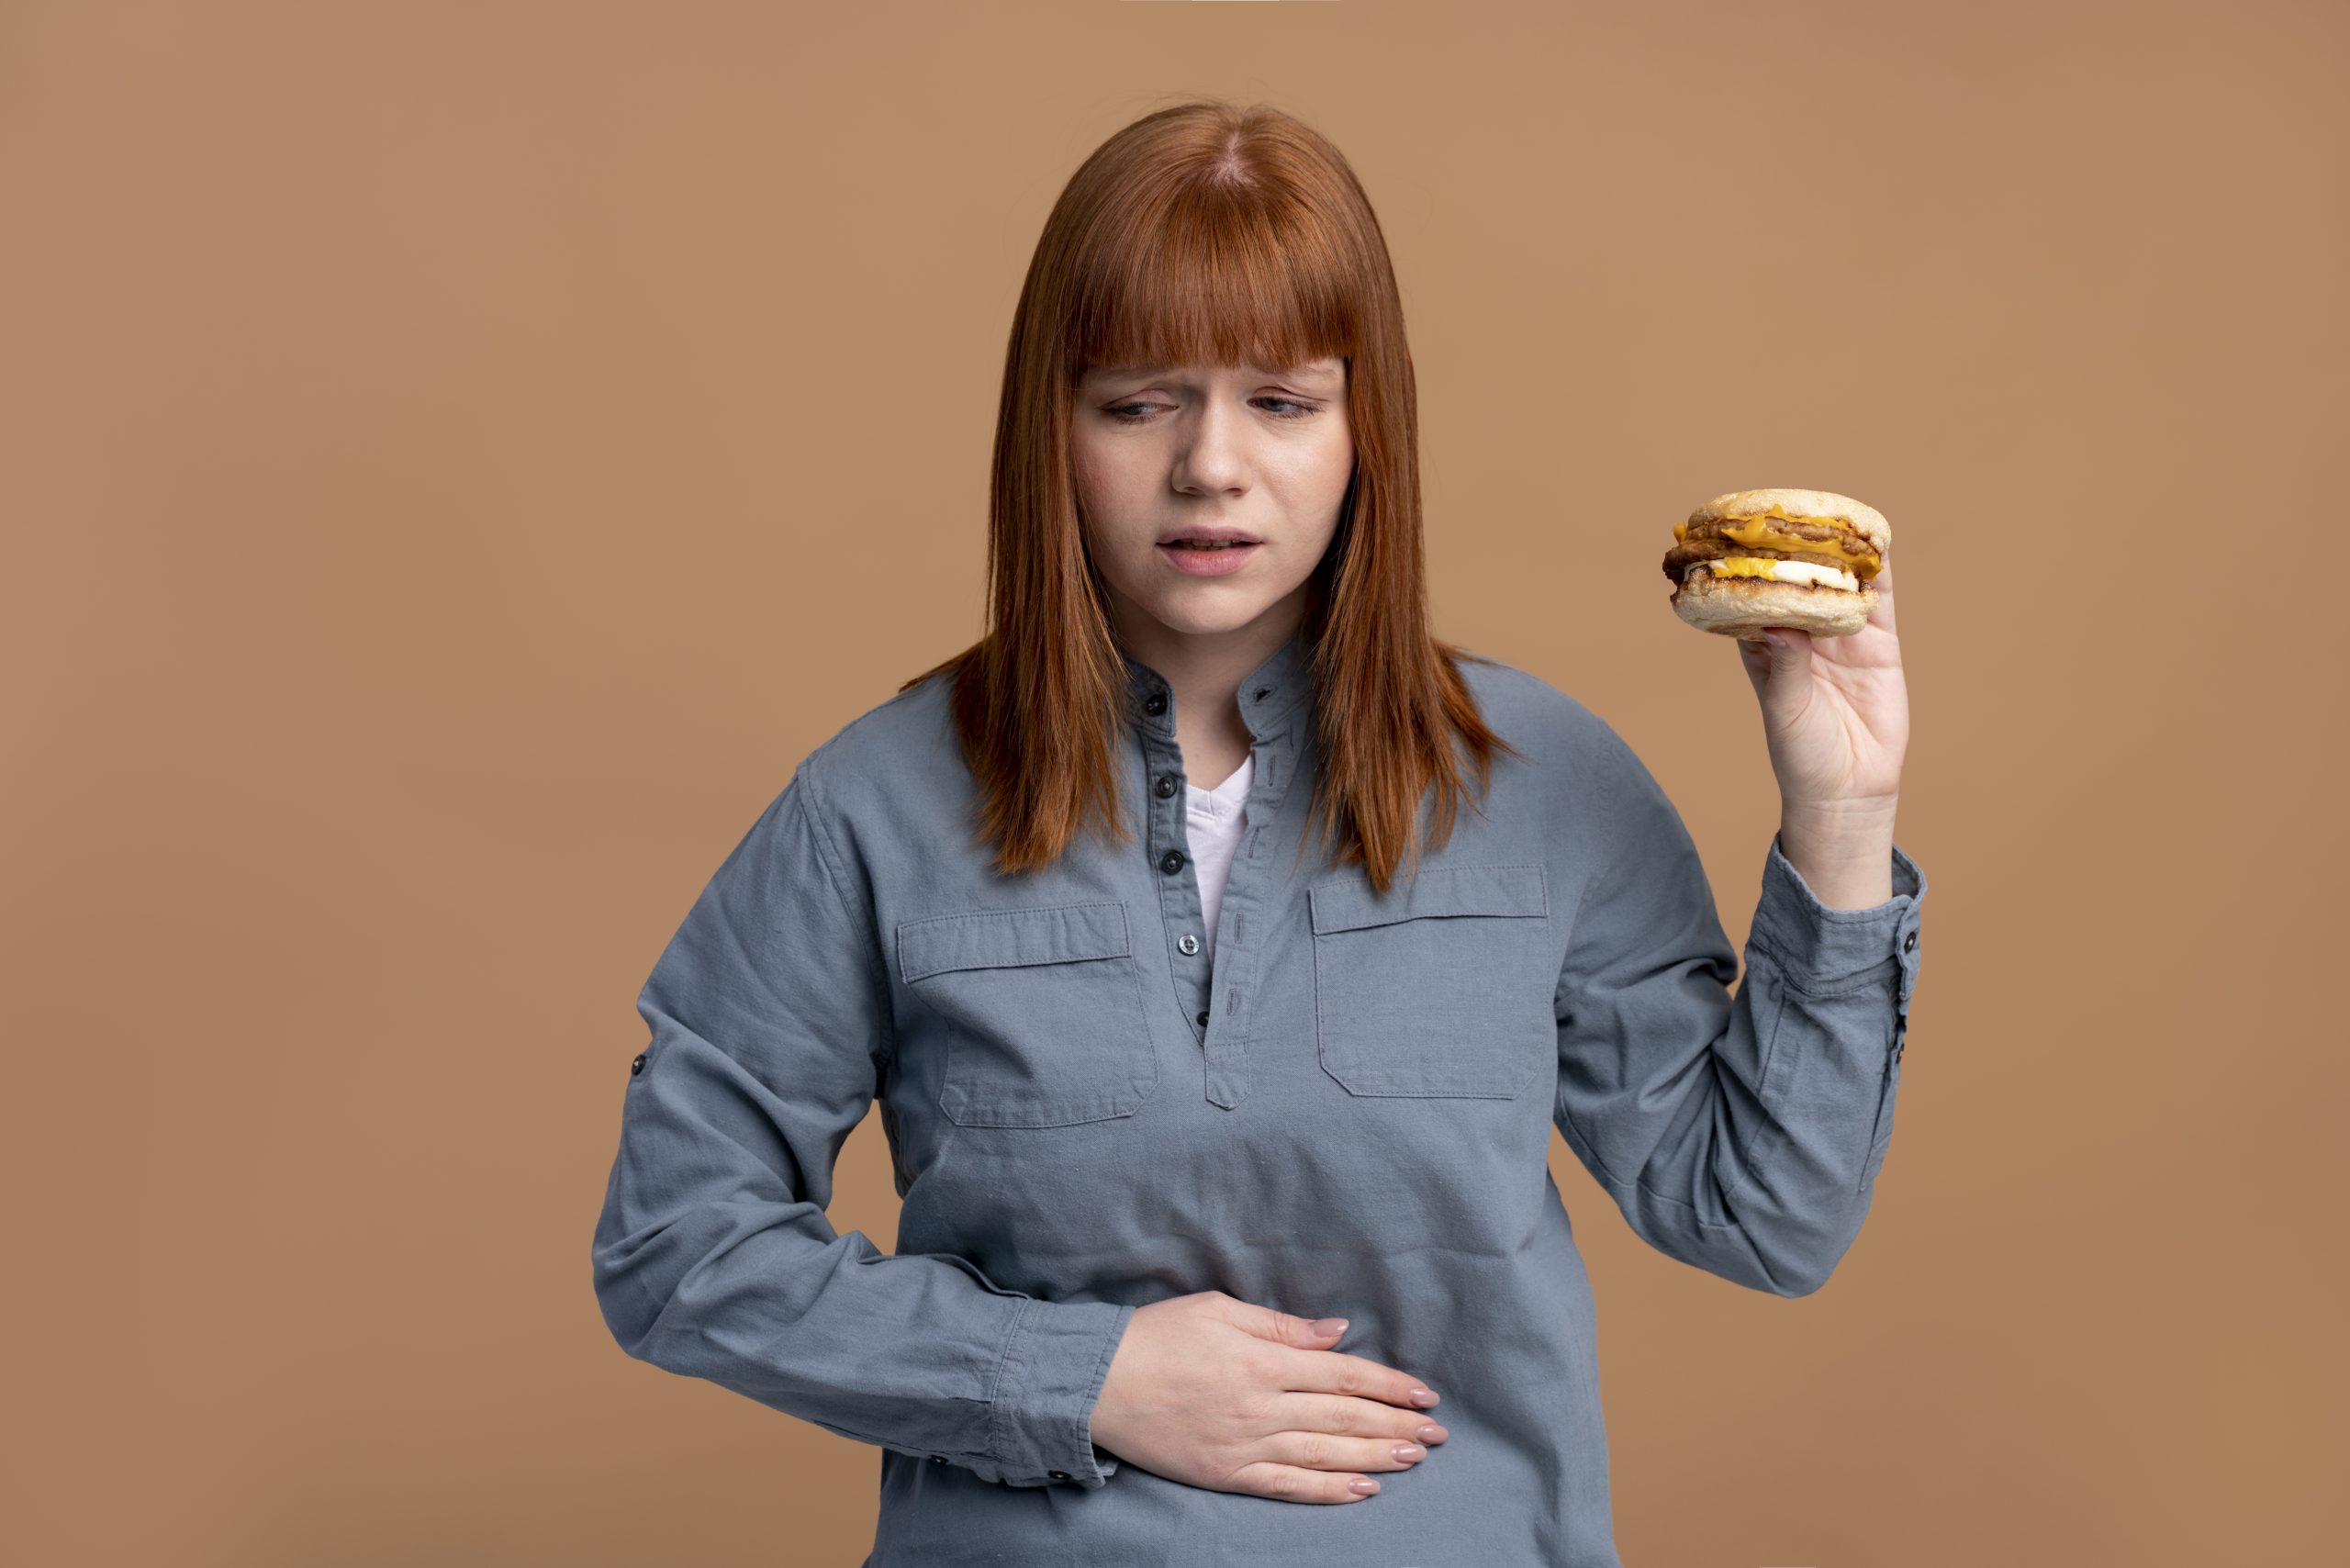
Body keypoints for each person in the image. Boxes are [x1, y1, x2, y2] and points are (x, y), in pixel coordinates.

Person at [589, 99, 1926, 1568]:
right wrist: (1082, 1379)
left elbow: (1760, 1218)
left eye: (1281, 403)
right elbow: (677, 1249)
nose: (1211, 467)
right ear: (1055, 425)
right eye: (1138, 401)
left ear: (1368, 431)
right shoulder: (875, 802)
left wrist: (1842, 821)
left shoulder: (1554, 785)